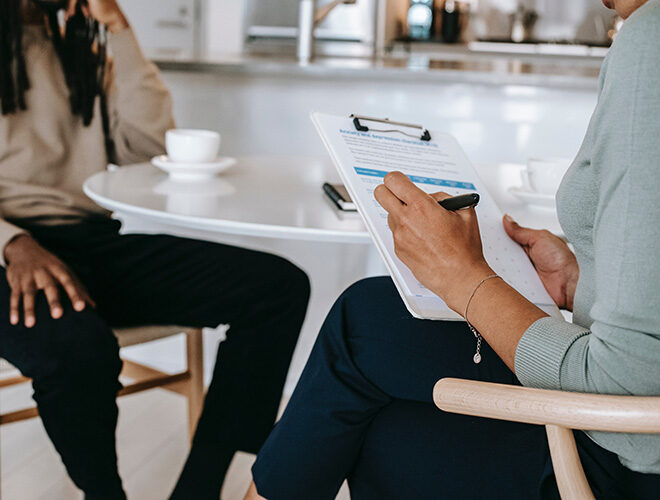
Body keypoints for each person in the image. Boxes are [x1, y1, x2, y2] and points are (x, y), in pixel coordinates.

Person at [244, 0, 660, 498]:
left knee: (366, 328)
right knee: (374, 361)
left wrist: (463, 278)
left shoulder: (650, 38)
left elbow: (627, 393)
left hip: (626, 468)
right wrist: (579, 280)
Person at [0, 1, 310, 499]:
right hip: (10, 254)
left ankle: (200, 486)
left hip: (90, 240)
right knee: (79, 349)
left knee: (277, 287)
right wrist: (12, 242)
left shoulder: (81, 44)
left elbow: (145, 144)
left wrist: (120, 29)